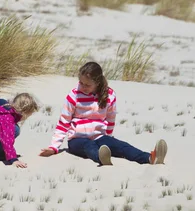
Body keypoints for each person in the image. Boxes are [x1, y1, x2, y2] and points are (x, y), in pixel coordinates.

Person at [39, 61, 167, 166]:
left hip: (100, 137)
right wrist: (54, 147)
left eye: (87, 85)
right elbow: (63, 122)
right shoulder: (74, 95)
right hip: (77, 141)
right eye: (81, 83)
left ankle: (150, 158)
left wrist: (109, 138)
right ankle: (102, 159)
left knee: (121, 146)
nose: (82, 87)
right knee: (89, 146)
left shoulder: (109, 95)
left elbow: (111, 118)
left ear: (97, 83)